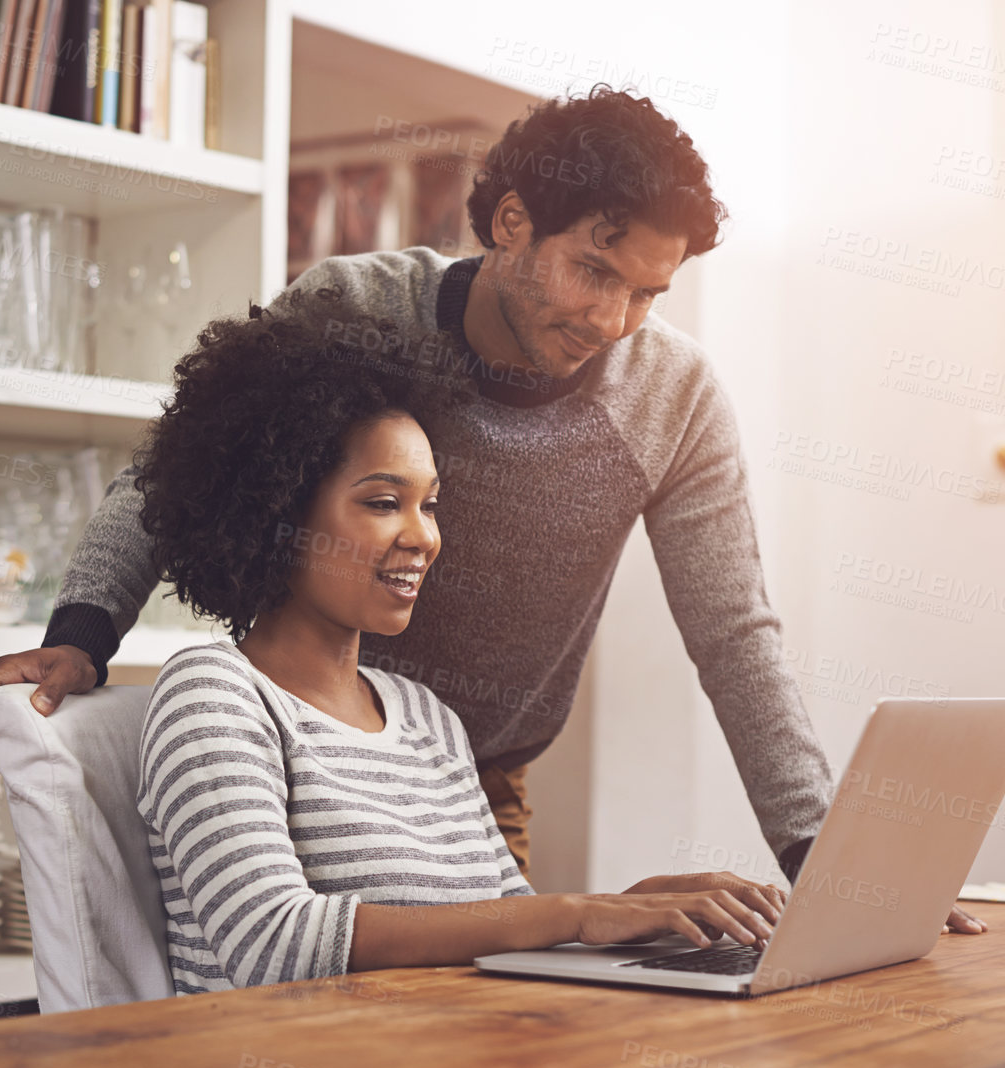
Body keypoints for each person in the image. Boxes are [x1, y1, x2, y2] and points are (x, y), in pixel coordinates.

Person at [0, 85, 985, 934]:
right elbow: (185, 456)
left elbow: (734, 635)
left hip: (467, 782)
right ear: (510, 221)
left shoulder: (675, 398)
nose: (612, 321)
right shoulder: (358, 304)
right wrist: (79, 637)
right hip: (288, 756)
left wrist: (828, 867)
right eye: (593, 271)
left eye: (646, 294)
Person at [133, 296, 784, 990]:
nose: (424, 537)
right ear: (275, 510)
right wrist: (575, 913)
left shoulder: (426, 716)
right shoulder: (213, 695)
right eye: (384, 502)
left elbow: (509, 928)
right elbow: (271, 942)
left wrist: (632, 906)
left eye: (430, 503)